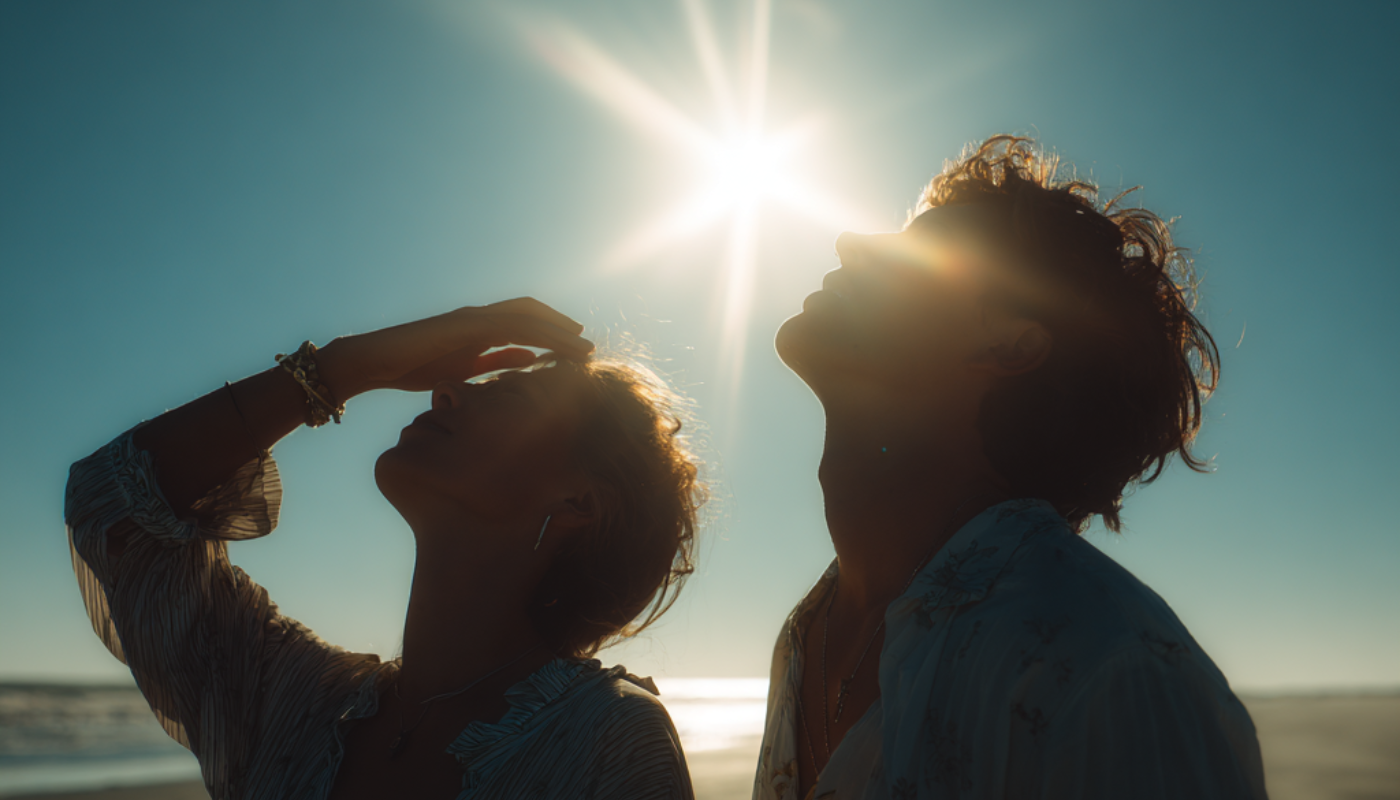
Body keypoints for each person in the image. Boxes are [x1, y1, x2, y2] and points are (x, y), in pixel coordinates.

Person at [753, 136, 1267, 799]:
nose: (853, 243)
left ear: (1009, 343)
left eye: (921, 251)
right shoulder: (808, 636)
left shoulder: (1110, 673)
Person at [65, 298, 704, 799]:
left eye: (509, 392)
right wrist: (343, 368)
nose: (446, 389)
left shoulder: (606, 741)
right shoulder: (291, 698)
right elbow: (112, 502)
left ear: (579, 502)